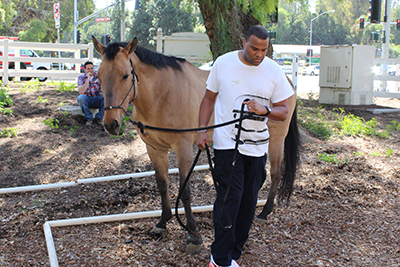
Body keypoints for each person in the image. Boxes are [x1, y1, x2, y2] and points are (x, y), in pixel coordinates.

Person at [196, 25, 294, 267]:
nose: (259, 54)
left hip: (257, 148)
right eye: (254, 48)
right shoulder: (224, 63)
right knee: (231, 198)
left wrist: (266, 110)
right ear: (243, 42)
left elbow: (284, 109)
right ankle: (219, 259)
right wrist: (201, 130)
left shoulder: (273, 70)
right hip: (227, 144)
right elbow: (208, 99)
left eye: (264, 49)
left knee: (248, 203)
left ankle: (233, 254)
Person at [77, 61, 104, 126]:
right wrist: (88, 79)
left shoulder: (98, 76)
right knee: (80, 98)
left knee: (106, 98)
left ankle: (99, 118)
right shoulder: (81, 77)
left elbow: (103, 89)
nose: (90, 70)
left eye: (91, 68)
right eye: (88, 69)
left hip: (97, 98)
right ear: (84, 69)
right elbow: (81, 91)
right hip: (87, 98)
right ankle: (89, 118)